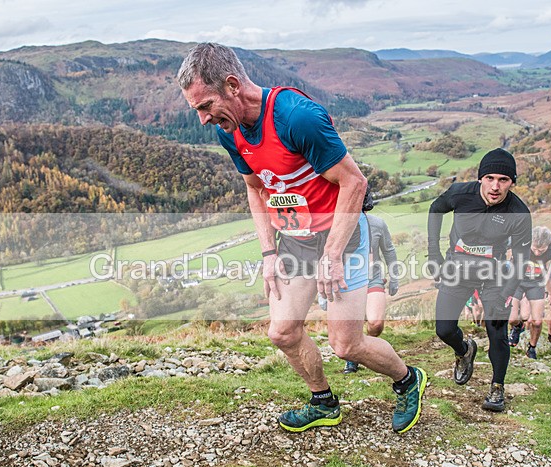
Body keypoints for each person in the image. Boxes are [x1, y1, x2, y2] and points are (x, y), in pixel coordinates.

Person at [177, 43, 426, 433]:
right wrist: (267, 252)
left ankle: (408, 379)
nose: (205, 120)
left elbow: (354, 182)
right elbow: (254, 188)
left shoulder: (296, 117)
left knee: (347, 345)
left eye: (206, 106)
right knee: (283, 330)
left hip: (341, 238)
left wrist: (333, 253)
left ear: (231, 85)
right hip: (295, 242)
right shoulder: (231, 131)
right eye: (198, 111)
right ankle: (323, 401)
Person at [427, 148, 532, 412]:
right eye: (489, 178)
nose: (495, 186)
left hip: (494, 275)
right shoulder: (460, 194)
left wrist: (507, 293)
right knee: (444, 329)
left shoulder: (518, 213)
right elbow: (435, 210)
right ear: (480, 178)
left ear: (512, 182)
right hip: (457, 269)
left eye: (503, 180)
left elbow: (521, 257)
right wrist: (434, 254)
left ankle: (497, 387)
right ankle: (464, 350)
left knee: (497, 332)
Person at [343, 213, 400, 374]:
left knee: (375, 323)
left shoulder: (377, 223)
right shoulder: (336, 221)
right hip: (348, 283)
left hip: (373, 279)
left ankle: (364, 348)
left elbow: (389, 250)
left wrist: (394, 277)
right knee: (353, 322)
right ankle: (353, 358)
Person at [508, 226, 551, 359]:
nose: (537, 253)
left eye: (541, 250)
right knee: (511, 318)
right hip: (516, 280)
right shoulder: (521, 239)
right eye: (534, 249)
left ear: (549, 245)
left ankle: (531, 348)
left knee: (537, 322)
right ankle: (517, 326)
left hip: (536, 283)